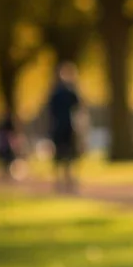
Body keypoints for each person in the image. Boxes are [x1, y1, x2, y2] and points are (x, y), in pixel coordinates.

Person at [47, 61, 83, 193]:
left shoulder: (57, 93)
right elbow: (79, 109)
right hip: (65, 127)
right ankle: (65, 180)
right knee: (66, 155)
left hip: (63, 127)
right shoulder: (67, 92)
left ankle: (64, 180)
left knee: (65, 155)